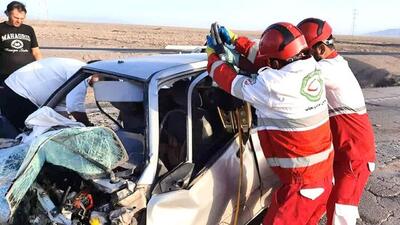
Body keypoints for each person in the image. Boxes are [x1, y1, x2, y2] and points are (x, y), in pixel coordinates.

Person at [207, 22, 334, 224]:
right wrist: (235, 40)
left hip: (301, 187)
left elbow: (231, 81)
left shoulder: (274, 85)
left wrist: (212, 58)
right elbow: (265, 58)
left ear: (275, 64)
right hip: (321, 178)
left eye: (270, 63)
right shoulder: (311, 67)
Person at [297, 18, 376, 225]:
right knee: (323, 205)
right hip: (341, 154)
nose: (301, 57)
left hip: (354, 157)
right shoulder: (332, 65)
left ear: (321, 49)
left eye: (305, 52)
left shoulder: (329, 70)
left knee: (341, 213)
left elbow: (290, 74)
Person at [0, 57, 92, 130]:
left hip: (11, 90)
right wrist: (88, 126)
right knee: (32, 135)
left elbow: (60, 109)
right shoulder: (82, 72)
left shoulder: (74, 67)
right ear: (95, 73)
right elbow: (75, 107)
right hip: (18, 95)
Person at [0, 1, 42, 84]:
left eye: (22, 18)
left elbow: (36, 52)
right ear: (7, 13)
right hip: (5, 75)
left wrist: (41, 68)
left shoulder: (29, 29)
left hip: (27, 74)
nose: (19, 21)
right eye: (16, 17)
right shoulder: (1, 28)